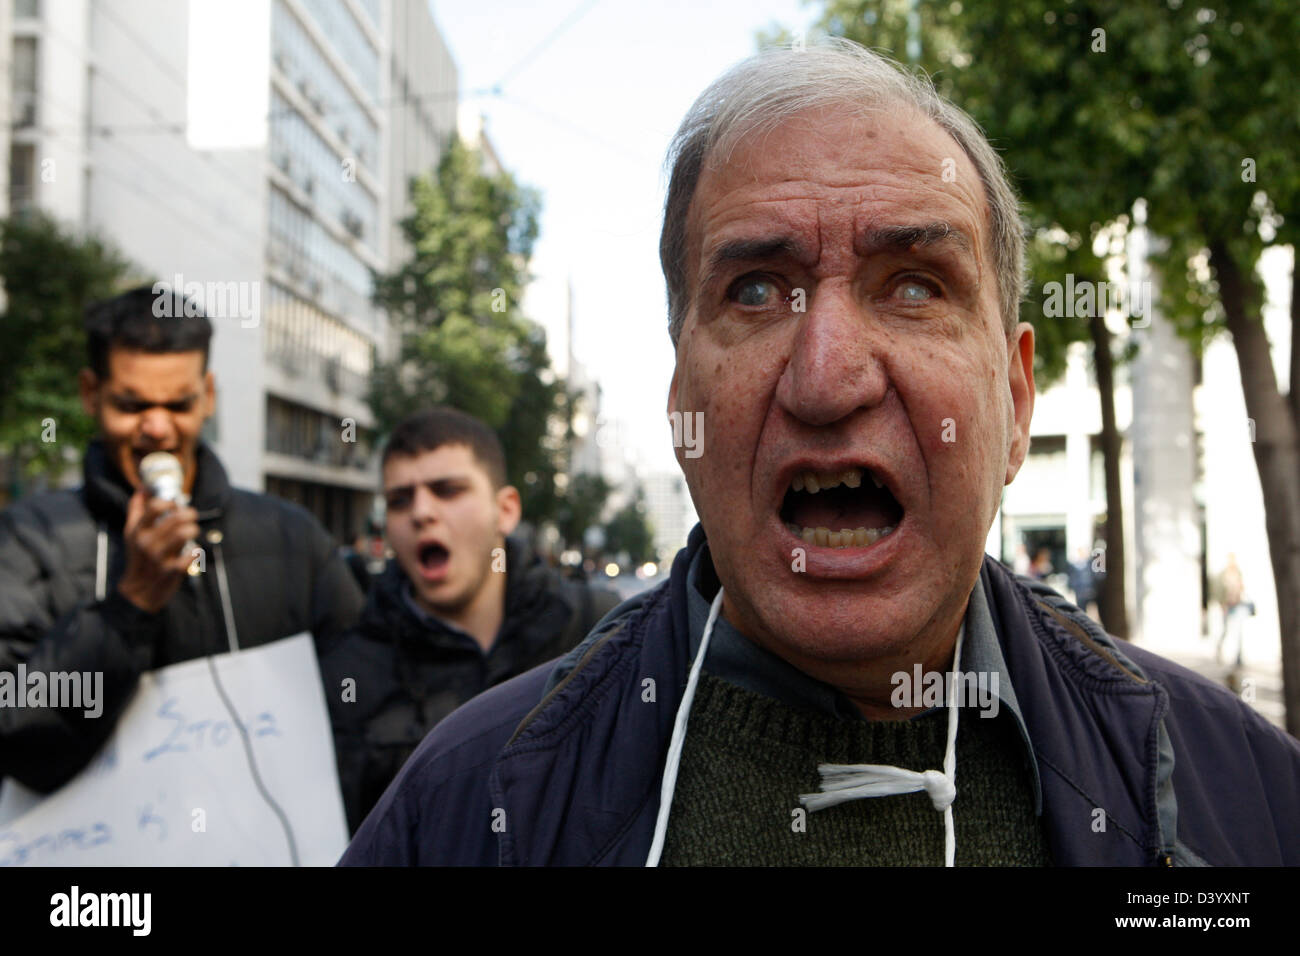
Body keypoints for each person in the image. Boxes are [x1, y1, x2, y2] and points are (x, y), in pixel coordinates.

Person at [340, 41, 1300, 866]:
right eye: (757, 292)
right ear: (682, 409)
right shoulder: (466, 810)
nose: (827, 376)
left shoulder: (1245, 795)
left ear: (1012, 402)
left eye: (916, 286)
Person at [0, 285, 364, 792]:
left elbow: (359, 704)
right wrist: (129, 608)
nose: (157, 428)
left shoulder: (291, 536)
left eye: (179, 404)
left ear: (208, 396)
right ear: (90, 394)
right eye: (131, 405)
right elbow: (17, 730)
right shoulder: (30, 538)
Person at [322, 407, 619, 833]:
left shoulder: (598, 630)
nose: (421, 512)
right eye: (399, 499)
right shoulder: (348, 673)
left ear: (506, 510)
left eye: (447, 490)